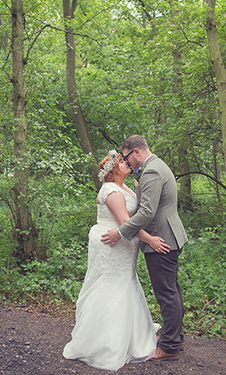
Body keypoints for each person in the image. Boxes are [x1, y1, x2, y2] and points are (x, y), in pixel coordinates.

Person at [63, 150, 169, 371]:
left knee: (126, 283)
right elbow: (124, 221)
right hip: (112, 244)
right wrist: (151, 240)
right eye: (121, 162)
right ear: (112, 170)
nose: (126, 163)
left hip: (123, 245)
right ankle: (106, 342)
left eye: (124, 160)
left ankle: (133, 333)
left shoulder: (126, 187)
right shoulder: (111, 190)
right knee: (111, 286)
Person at [101, 135, 188, 361]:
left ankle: (169, 347)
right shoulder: (156, 165)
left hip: (160, 239)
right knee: (172, 291)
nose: (127, 162)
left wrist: (121, 232)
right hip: (167, 236)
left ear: (136, 152)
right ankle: (174, 337)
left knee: (166, 294)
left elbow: (147, 212)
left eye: (128, 157)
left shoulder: (151, 171)